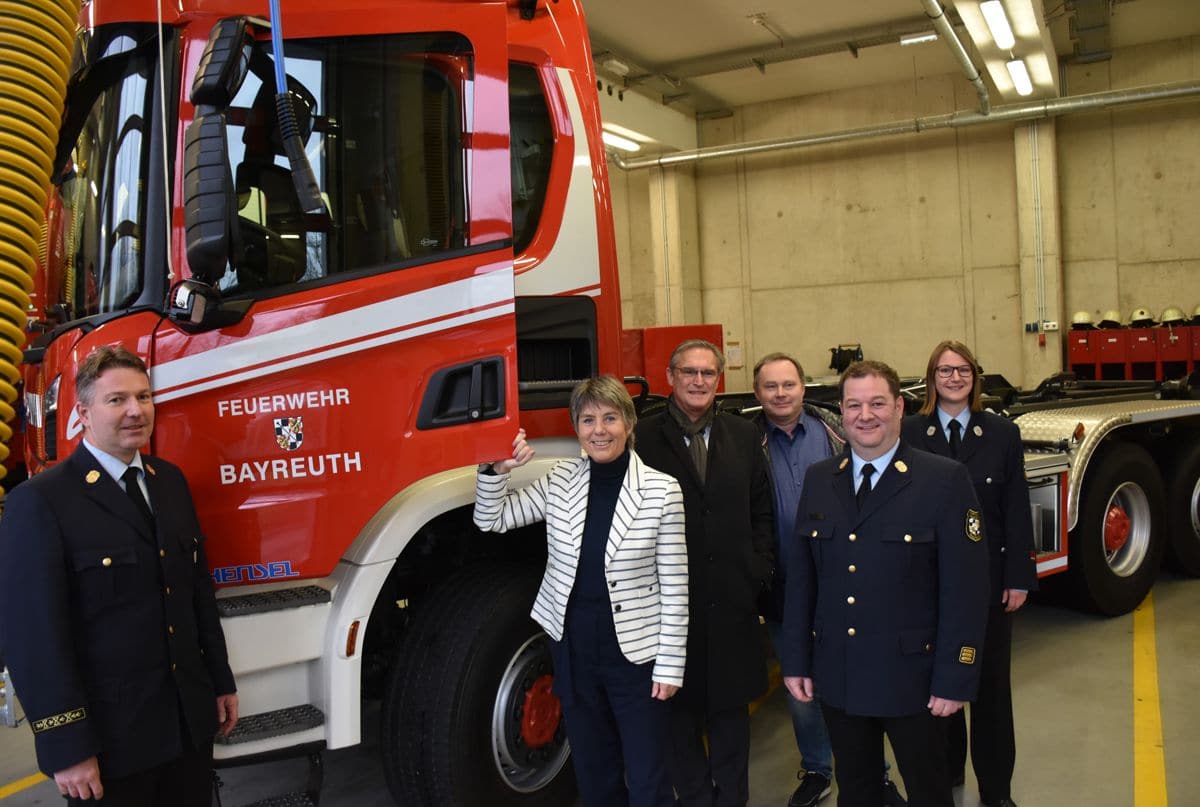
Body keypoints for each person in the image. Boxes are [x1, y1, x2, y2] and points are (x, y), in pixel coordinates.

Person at [0, 345, 238, 805]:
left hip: (186, 727)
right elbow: (33, 637)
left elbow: (195, 595)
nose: (136, 411)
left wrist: (219, 680)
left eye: (144, 397)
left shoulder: (169, 481)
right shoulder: (43, 501)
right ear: (83, 413)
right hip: (111, 745)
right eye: (117, 400)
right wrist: (66, 745)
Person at [782, 360, 989, 807]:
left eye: (877, 403)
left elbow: (966, 589)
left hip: (915, 680)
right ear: (841, 411)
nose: (865, 415)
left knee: (929, 791)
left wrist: (955, 676)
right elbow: (803, 581)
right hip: (841, 676)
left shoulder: (943, 480)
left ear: (899, 407)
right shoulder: (820, 479)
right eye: (854, 405)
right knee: (856, 792)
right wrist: (797, 660)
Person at [473, 375, 687, 807]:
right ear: (577, 429)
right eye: (588, 420)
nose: (599, 430)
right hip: (572, 649)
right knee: (594, 768)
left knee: (648, 775)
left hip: (636, 654)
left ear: (628, 423)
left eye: (610, 417)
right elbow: (490, 519)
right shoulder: (560, 480)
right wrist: (496, 471)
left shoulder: (662, 490)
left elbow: (676, 585)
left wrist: (670, 666)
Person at [634, 339, 774, 807]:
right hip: (669, 608)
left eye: (707, 373)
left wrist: (758, 569)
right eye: (688, 372)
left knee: (732, 719)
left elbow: (762, 512)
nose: (698, 382)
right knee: (677, 718)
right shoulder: (642, 438)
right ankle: (695, 799)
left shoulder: (743, 435)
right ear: (670, 376)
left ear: (719, 379)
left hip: (733, 600)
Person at [902, 341, 1036, 807]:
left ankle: (996, 792)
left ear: (975, 378)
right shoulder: (909, 432)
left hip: (989, 584)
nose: (954, 378)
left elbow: (1016, 508)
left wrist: (1018, 576)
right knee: (939, 689)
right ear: (931, 377)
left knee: (992, 694)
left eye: (962, 370)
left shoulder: (1001, 433)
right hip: (930, 586)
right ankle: (946, 777)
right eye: (944, 370)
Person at [752, 353, 840, 807]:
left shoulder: (836, 431)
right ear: (757, 393)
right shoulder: (748, 444)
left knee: (853, 676)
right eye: (771, 386)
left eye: (789, 384)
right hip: (783, 586)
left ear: (804, 387)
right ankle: (818, 769)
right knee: (799, 686)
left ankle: (873, 771)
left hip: (842, 583)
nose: (781, 393)